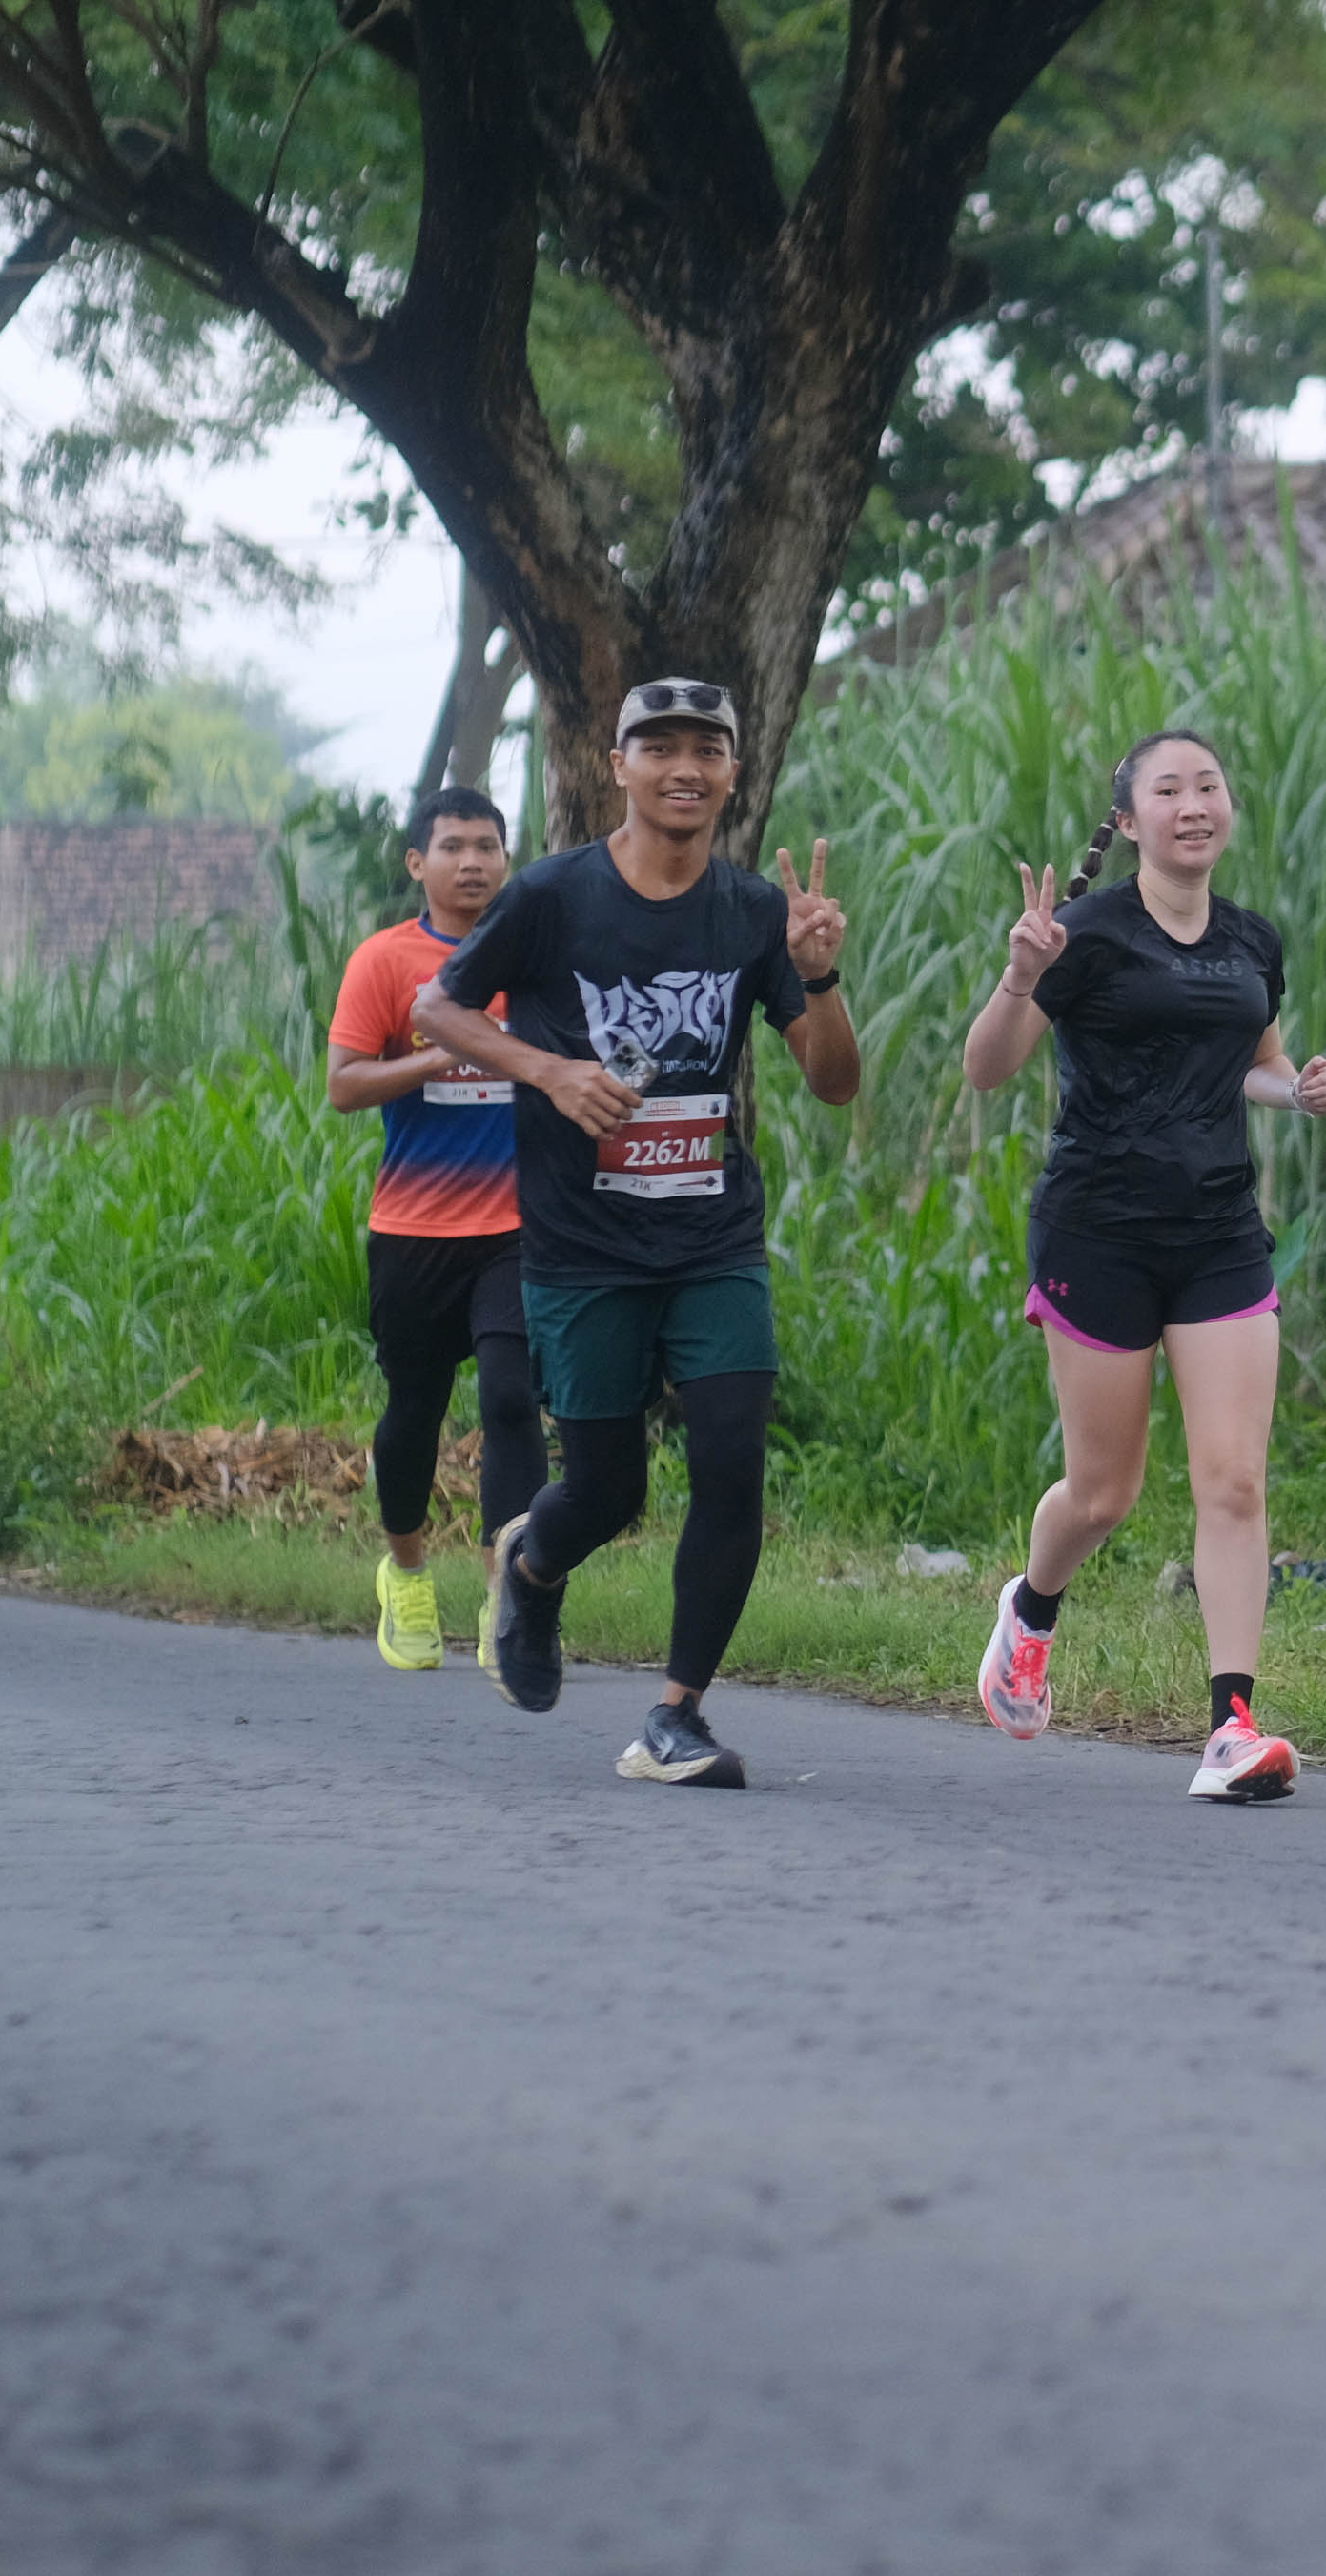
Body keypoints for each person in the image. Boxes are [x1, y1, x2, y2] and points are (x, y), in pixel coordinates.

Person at [414, 679, 858, 1786]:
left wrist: (820, 978)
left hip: (713, 1237)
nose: (684, 767)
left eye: (707, 748)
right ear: (618, 767)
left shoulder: (753, 911)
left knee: (732, 1461)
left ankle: (675, 1715)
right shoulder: (553, 896)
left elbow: (835, 1080)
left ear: (733, 773)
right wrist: (549, 1070)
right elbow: (437, 1008)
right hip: (584, 1245)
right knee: (607, 1490)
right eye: (658, 747)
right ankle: (533, 1564)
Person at [957, 730, 1326, 1802]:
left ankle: (1231, 1728)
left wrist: (1299, 1089)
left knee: (1235, 1478)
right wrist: (1021, 976)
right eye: (1168, 790)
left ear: (1228, 809)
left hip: (1219, 1234)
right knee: (1103, 1494)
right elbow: (987, 1070)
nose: (1194, 805)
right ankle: (1031, 1609)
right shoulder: (1082, 933)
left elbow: (1255, 1062)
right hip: (1099, 1232)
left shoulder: (1252, 941)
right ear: (1128, 822)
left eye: (1209, 786)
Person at [327, 785, 546, 1671]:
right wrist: (443, 1053)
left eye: (487, 846)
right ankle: (408, 1574)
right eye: (452, 847)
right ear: (418, 863)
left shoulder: (535, 958)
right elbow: (344, 1084)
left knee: (511, 1400)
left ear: (506, 859)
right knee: (414, 1411)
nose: (471, 863)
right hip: (414, 1228)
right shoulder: (386, 962)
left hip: (517, 1227)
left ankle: (509, 1601)